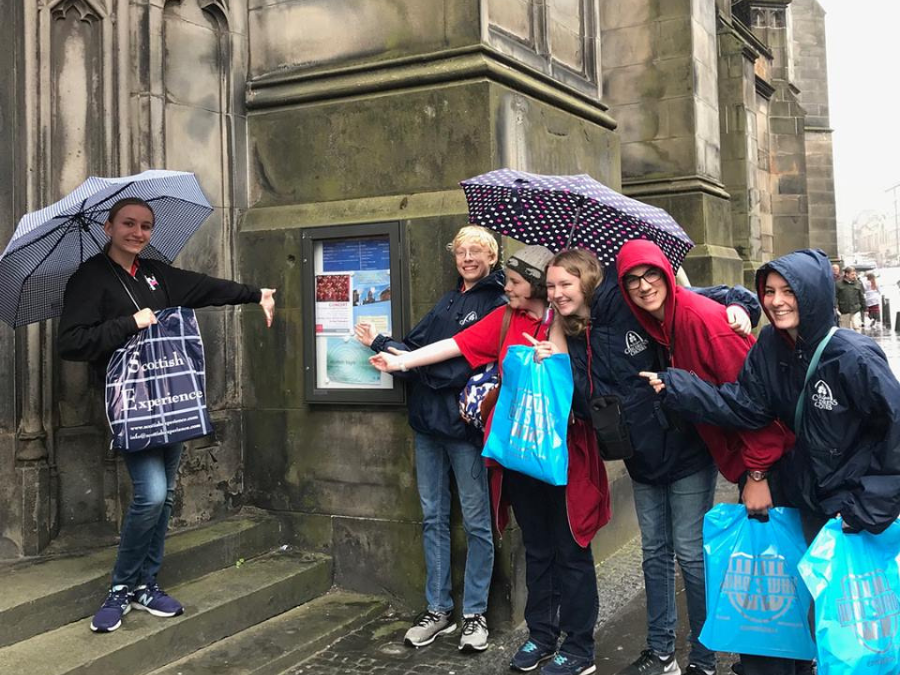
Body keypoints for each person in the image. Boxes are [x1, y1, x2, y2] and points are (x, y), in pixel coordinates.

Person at [640, 248, 900, 675]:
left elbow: (894, 433)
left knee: (843, 628)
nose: (776, 301)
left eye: (788, 291)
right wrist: (679, 388)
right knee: (786, 615)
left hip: (845, 512)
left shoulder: (853, 355)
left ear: (812, 294)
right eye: (769, 291)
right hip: (798, 496)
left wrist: (869, 508)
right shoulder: (769, 346)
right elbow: (746, 407)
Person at [371, 245, 609, 675]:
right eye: (551, 285)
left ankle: (578, 647)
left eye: (516, 282)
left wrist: (558, 357)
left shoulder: (585, 325)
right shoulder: (507, 320)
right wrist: (403, 359)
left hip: (568, 458)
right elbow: (456, 344)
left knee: (571, 552)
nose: (507, 288)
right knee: (536, 549)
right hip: (521, 452)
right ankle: (541, 635)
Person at [58, 197, 276, 633]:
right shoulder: (90, 278)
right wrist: (128, 324)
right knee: (152, 494)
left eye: (145, 226)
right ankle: (121, 587)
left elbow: (203, 287)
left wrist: (255, 294)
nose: (137, 233)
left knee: (167, 494)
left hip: (172, 398)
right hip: (132, 404)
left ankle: (146, 584)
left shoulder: (156, 272)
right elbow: (72, 342)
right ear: (108, 227)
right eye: (129, 224)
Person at [544, 248, 760, 675]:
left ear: (588, 281)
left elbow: (720, 295)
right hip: (638, 454)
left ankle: (703, 658)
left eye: (565, 284)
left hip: (682, 446)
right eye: (549, 286)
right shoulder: (569, 329)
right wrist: (555, 330)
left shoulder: (629, 303)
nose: (556, 293)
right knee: (654, 553)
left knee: (690, 554)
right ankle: (661, 654)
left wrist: (741, 306)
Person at [355, 225, 505, 652]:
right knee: (433, 517)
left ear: (492, 257)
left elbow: (456, 369)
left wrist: (410, 364)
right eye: (462, 251)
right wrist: (381, 343)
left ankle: (474, 614)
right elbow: (416, 346)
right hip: (426, 425)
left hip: (463, 430)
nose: (468, 257)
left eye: (477, 250)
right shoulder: (449, 298)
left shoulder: (495, 304)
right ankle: (438, 609)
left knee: (477, 522)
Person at [835, 265, 865, 331]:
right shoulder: (838, 284)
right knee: (845, 330)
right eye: (852, 274)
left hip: (855, 309)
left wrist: (865, 309)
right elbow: (835, 297)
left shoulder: (858, 283)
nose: (854, 276)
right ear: (846, 274)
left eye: (855, 274)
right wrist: (836, 306)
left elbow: (861, 296)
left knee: (857, 327)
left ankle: (857, 341)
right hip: (844, 310)